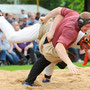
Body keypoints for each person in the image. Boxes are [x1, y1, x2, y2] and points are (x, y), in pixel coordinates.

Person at [0, 8, 90, 86]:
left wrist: (47, 18)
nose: (88, 29)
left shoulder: (76, 16)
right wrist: (69, 63)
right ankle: (0, 17)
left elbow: (59, 11)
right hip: (42, 29)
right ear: (81, 23)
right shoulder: (71, 32)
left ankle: (46, 78)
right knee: (12, 37)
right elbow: (59, 47)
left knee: (54, 56)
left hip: (51, 35)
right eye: (87, 27)